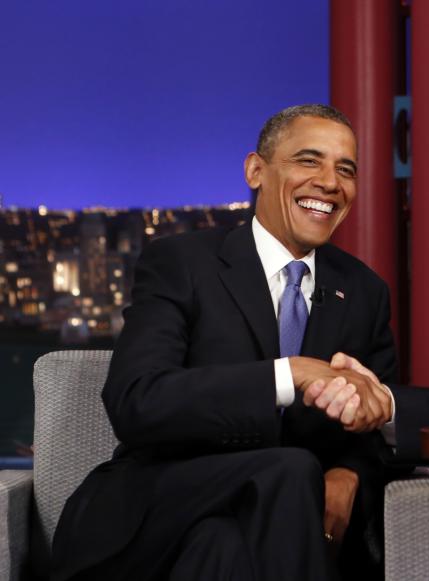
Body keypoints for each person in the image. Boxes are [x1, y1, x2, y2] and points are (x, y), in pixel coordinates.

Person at [50, 104, 397, 581]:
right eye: (308, 160)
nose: (329, 182)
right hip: (157, 510)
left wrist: (349, 475)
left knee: (223, 547)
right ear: (256, 171)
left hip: (255, 534)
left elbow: (376, 430)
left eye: (346, 169)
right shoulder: (181, 263)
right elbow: (136, 401)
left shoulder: (364, 292)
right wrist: (288, 374)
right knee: (292, 470)